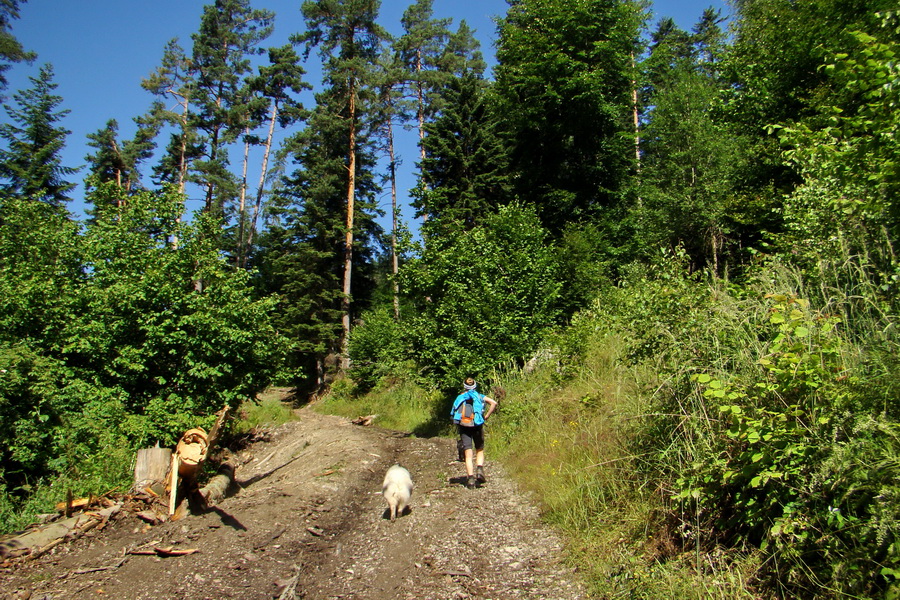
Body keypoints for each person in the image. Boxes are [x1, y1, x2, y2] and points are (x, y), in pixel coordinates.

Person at [450, 377, 498, 488]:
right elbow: (493, 403)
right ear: (475, 386)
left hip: (464, 426)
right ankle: (480, 469)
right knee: (479, 449)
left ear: (464, 386)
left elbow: (453, 412)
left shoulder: (460, 397)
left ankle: (470, 479)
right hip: (477, 425)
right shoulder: (479, 396)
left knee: (468, 452)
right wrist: (486, 416)